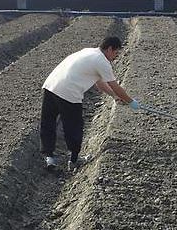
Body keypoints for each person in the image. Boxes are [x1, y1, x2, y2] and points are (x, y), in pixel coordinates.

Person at [40, 36, 139, 172]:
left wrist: (114, 96)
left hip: (51, 86)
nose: (116, 56)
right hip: (69, 91)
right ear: (109, 49)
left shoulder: (89, 52)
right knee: (74, 127)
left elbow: (99, 82)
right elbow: (115, 85)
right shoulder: (102, 62)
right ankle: (74, 160)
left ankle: (49, 158)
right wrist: (131, 101)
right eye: (116, 53)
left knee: (48, 122)